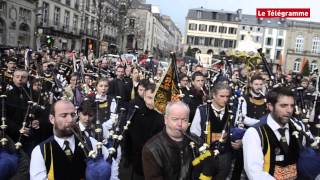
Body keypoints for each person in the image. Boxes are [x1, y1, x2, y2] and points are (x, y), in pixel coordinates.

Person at [29, 100, 119, 180]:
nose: (70, 119)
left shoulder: (90, 142)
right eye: (64, 115)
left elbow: (111, 162)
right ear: (52, 119)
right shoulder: (40, 151)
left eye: (72, 115)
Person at [242, 87, 302, 179]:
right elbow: (255, 173)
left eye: (292, 106)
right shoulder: (255, 133)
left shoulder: (297, 128)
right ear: (270, 106)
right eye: (283, 106)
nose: (289, 110)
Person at [190, 82, 241, 180]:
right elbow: (194, 133)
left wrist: (239, 142)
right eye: (221, 96)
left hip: (225, 155)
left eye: (227, 96)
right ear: (213, 95)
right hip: (206, 155)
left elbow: (236, 130)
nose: (225, 99)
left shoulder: (232, 111)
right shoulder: (202, 110)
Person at [142, 101, 197, 180]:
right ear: (165, 119)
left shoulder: (196, 142)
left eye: (184, 120)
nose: (180, 124)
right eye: (175, 119)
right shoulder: (151, 148)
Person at [122, 83, 164, 180]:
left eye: (154, 98)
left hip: (155, 159)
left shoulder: (162, 116)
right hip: (137, 159)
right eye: (149, 98)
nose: (152, 101)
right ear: (144, 97)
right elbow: (128, 136)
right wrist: (127, 157)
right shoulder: (136, 113)